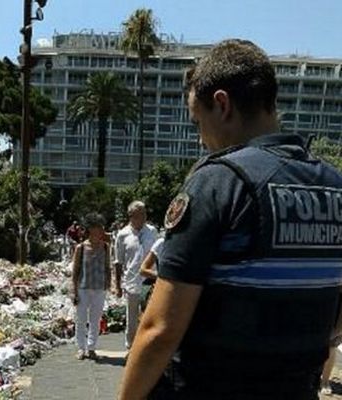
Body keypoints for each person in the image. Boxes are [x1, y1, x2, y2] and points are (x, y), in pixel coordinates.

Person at [119, 39, 342, 400]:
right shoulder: (334, 187)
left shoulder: (220, 182)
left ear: (222, 104)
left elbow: (160, 330)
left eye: (198, 121)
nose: (201, 139)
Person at [114, 201, 158, 351]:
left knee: (150, 315)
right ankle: (131, 348)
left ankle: (148, 347)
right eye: (140, 214)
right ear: (131, 216)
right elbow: (118, 261)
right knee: (132, 318)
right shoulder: (122, 234)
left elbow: (158, 254)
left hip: (150, 280)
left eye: (145, 213)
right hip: (131, 281)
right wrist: (117, 285)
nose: (144, 217)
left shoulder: (152, 231)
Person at [71, 213, 112, 360]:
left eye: (101, 227)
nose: (101, 230)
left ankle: (92, 347)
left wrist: (109, 284)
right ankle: (81, 348)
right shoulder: (81, 248)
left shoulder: (106, 247)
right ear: (91, 229)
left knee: (95, 320)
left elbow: (108, 267)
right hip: (83, 288)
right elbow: (75, 271)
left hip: (99, 288)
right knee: (81, 319)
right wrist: (74, 291)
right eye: (98, 227)